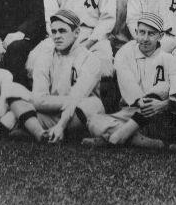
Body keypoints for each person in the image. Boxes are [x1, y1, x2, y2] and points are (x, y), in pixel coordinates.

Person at [85, 13, 176, 148]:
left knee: (161, 89)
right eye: (142, 32)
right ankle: (142, 141)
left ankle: (115, 137)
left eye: (151, 34)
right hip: (130, 112)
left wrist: (162, 104)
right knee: (94, 122)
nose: (145, 38)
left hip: (158, 115)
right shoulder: (125, 53)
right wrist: (141, 101)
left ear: (160, 36)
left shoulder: (169, 59)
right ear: (136, 32)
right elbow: (127, 83)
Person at [7, 9, 105, 143]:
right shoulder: (44, 57)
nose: (57, 36)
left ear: (76, 32)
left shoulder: (90, 59)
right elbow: (39, 100)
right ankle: (41, 134)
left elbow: (78, 96)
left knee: (93, 104)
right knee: (14, 93)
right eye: (54, 32)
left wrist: (61, 124)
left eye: (62, 31)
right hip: (50, 113)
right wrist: (67, 101)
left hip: (77, 115)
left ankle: (39, 129)